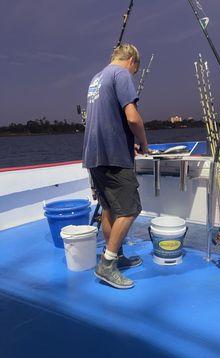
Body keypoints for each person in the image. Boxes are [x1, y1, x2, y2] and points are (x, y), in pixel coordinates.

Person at [82, 43, 149, 289]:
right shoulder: (121, 74)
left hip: (93, 155)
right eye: (135, 70)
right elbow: (132, 117)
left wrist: (126, 142)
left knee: (110, 208)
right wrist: (143, 142)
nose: (133, 74)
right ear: (131, 60)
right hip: (113, 157)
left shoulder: (96, 78)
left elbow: (106, 118)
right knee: (130, 209)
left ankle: (116, 257)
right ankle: (107, 265)